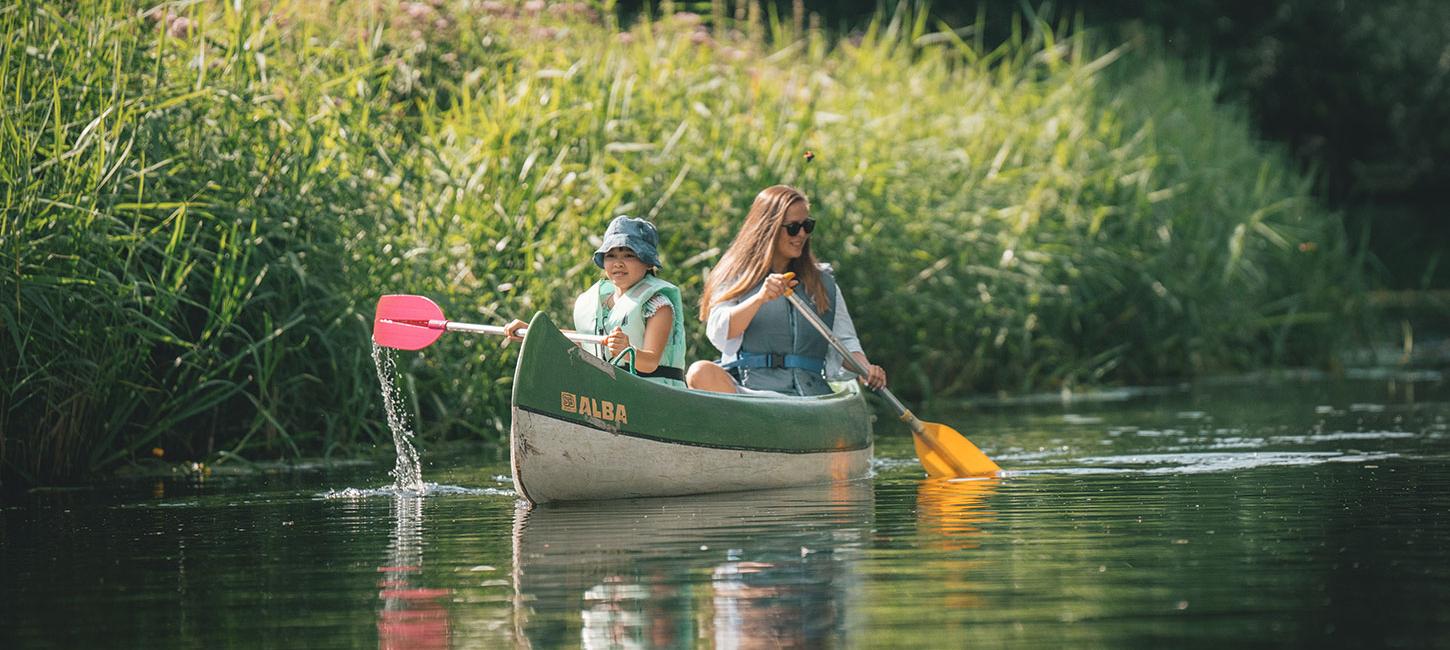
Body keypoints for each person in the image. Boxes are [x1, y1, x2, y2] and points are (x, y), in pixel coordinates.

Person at [686, 185, 886, 396]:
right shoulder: (734, 274)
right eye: (792, 227)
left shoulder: (823, 282)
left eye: (807, 226)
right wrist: (759, 298)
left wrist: (866, 368)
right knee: (699, 371)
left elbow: (845, 342)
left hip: (809, 394)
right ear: (768, 228)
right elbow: (720, 332)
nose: (802, 234)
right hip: (752, 391)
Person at [503, 216, 687, 387]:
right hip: (612, 390)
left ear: (648, 263)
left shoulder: (657, 304)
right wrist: (534, 332)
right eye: (611, 255)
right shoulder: (602, 303)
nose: (618, 263)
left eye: (629, 255)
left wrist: (627, 349)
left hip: (652, 390)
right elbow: (585, 342)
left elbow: (650, 362)